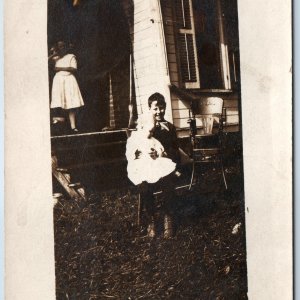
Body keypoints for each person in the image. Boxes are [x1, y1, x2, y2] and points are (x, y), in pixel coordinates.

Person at [126, 93, 180, 238]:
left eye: (161, 108)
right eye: (155, 108)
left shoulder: (170, 128)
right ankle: (152, 218)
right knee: (143, 185)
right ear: (150, 109)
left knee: (168, 182)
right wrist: (138, 155)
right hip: (146, 167)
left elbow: (176, 152)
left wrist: (162, 155)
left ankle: (168, 217)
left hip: (163, 165)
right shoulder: (144, 128)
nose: (159, 112)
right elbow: (134, 149)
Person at [50, 41, 84, 133]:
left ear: (66, 47)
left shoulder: (71, 56)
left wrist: (60, 68)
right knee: (59, 102)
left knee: (71, 104)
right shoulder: (55, 58)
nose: (61, 48)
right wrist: (54, 53)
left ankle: (73, 126)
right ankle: (59, 125)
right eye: (59, 46)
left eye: (63, 46)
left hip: (69, 80)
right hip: (58, 81)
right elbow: (44, 62)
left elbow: (73, 68)